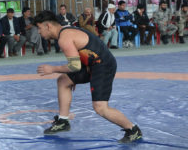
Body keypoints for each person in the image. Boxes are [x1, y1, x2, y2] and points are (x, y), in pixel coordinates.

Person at [33, 10, 142, 143]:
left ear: (48, 26)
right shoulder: (66, 30)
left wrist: (53, 69)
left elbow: (74, 66)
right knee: (63, 81)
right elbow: (84, 54)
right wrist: (73, 77)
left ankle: (133, 130)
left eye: (39, 28)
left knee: (100, 107)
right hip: (90, 63)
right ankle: (63, 121)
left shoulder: (64, 38)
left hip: (103, 65)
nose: (39, 32)